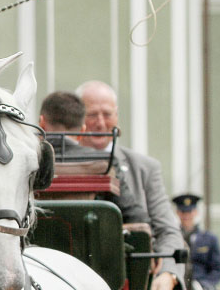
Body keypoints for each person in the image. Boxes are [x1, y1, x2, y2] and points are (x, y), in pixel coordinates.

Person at [76, 80, 186, 290]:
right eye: (92, 114)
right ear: (78, 118)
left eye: (107, 114)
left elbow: (168, 232)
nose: (101, 122)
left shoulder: (144, 169)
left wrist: (168, 275)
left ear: (117, 117)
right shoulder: (52, 163)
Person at [38, 92, 148, 223]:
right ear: (82, 131)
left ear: (42, 124)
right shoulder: (104, 162)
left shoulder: (30, 160)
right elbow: (135, 217)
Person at [172, 193, 220, 290]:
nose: (186, 215)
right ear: (178, 213)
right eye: (183, 212)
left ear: (195, 212)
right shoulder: (172, 238)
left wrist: (206, 284)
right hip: (177, 286)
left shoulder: (210, 239)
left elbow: (218, 268)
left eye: (189, 212)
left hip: (203, 287)